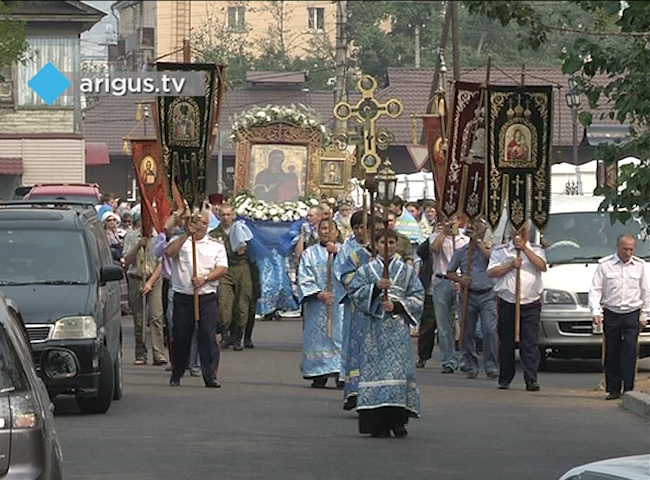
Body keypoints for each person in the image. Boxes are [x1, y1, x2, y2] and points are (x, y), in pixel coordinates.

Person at [348, 228, 424, 438]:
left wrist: (398, 306)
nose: (387, 246)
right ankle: (376, 423)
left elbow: (418, 296)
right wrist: (374, 288)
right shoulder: (366, 271)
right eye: (383, 242)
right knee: (376, 371)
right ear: (377, 244)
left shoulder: (407, 272)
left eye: (391, 242)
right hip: (374, 329)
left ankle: (398, 421)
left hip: (397, 330)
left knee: (399, 372)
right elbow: (354, 293)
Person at [165, 209, 228, 388]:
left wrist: (205, 278)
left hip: (206, 296)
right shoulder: (181, 242)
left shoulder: (215, 245)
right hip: (183, 296)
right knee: (181, 336)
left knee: (208, 336)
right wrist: (186, 235)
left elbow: (222, 268)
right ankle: (177, 371)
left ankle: (210, 375)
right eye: (197, 223)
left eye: (204, 223)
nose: (200, 227)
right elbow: (169, 253)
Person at [588, 233, 650, 400]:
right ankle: (613, 388)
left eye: (631, 249)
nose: (628, 253)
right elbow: (596, 289)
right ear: (617, 247)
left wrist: (645, 313)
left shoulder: (640, 266)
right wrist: (596, 311)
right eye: (625, 249)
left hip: (632, 313)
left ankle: (629, 388)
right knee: (612, 351)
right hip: (612, 312)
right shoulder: (605, 265)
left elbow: (645, 291)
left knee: (629, 351)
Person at [487, 222, 547, 391]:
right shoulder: (501, 251)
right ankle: (505, 378)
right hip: (508, 301)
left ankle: (531, 379)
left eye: (524, 231)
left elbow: (542, 266)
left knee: (530, 342)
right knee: (506, 342)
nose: (520, 234)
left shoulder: (536, 249)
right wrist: (510, 265)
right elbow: (491, 272)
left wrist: (525, 250)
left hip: (530, 302)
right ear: (512, 233)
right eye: (517, 231)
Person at [446, 217, 498, 379]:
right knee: (468, 331)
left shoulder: (490, 250)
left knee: (489, 330)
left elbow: (492, 259)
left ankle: (491, 365)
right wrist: (461, 280)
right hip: (468, 295)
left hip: (487, 294)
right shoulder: (462, 252)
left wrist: (479, 242)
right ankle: (470, 364)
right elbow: (450, 272)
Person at [297, 219, 344, 388]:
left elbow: (352, 271)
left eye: (330, 229)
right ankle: (318, 372)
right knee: (318, 337)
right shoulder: (309, 253)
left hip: (340, 303)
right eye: (323, 228)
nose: (326, 231)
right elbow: (304, 276)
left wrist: (337, 253)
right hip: (317, 304)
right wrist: (318, 294)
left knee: (339, 336)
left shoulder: (344, 251)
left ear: (336, 232)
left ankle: (341, 371)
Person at [334, 210, 372, 409]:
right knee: (353, 344)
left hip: (378, 309)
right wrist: (364, 288)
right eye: (356, 227)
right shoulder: (349, 250)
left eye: (363, 227)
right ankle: (353, 387)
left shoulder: (380, 250)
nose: (360, 231)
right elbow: (344, 275)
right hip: (356, 305)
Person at [122, 214, 167, 366]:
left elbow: (162, 263)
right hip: (136, 278)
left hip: (153, 279)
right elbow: (126, 261)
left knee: (156, 317)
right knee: (139, 319)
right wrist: (139, 245)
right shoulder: (131, 236)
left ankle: (158, 353)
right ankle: (140, 353)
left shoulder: (159, 237)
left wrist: (150, 283)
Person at [211, 204, 256, 351]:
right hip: (224, 269)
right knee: (224, 304)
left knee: (242, 304)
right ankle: (225, 334)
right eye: (223, 215)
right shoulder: (214, 234)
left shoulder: (241, 229)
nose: (226, 218)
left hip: (242, 268)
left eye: (228, 215)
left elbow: (249, 248)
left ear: (233, 215)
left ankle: (238, 337)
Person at [430, 214, 469, 373]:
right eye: (448, 219)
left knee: (464, 321)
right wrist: (444, 233)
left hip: (460, 281)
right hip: (442, 280)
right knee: (443, 324)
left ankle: (466, 359)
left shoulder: (465, 240)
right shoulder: (436, 236)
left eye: (453, 219)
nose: (451, 222)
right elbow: (433, 248)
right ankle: (448, 360)